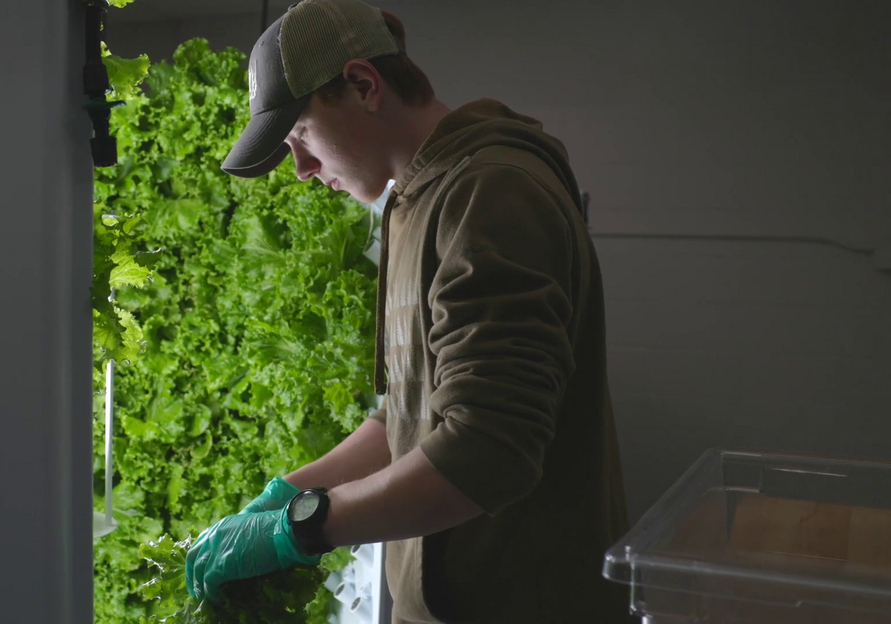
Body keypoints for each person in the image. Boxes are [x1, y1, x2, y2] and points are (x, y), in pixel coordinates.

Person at [184, 0, 632, 621]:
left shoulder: (490, 192)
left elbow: (489, 450)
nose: (302, 170)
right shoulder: (415, 201)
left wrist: (303, 527)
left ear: (364, 86)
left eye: (301, 136)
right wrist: (291, 491)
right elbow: (412, 410)